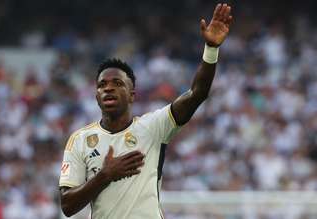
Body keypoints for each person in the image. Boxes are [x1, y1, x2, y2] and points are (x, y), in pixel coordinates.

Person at [59, 3, 232, 219]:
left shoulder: (153, 127)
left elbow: (197, 93)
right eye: (102, 85)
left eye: (117, 83)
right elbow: (67, 205)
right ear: (96, 96)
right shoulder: (81, 140)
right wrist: (105, 175)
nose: (108, 88)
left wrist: (211, 49)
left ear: (132, 94)